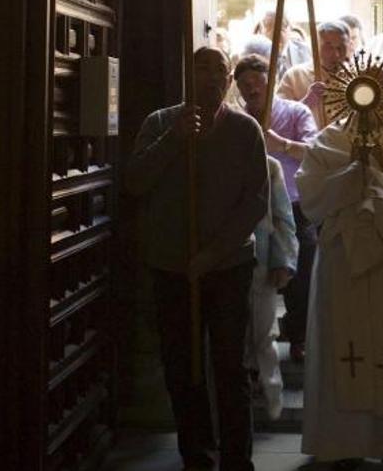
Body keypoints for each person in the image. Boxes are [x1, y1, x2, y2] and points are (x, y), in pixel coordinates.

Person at [125, 47, 269, 471]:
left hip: (227, 266)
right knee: (182, 366)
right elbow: (135, 182)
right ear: (186, 76)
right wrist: (176, 139)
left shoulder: (245, 130)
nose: (210, 77)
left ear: (229, 80)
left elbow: (254, 201)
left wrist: (213, 252)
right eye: (201, 68)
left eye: (218, 70)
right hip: (172, 266)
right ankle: (197, 456)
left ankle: (237, 458)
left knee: (230, 366)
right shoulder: (160, 123)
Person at [296, 114, 383, 469]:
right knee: (342, 340)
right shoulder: (330, 139)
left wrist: (374, 177)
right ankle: (345, 442)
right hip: (342, 261)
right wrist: (351, 174)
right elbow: (311, 193)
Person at [235, 53, 319, 362]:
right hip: (251, 210)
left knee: (301, 277)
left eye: (258, 82)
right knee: (251, 280)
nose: (253, 90)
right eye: (245, 85)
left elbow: (315, 152)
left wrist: (282, 144)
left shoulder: (296, 112)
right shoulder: (237, 120)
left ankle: (300, 339)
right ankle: (252, 349)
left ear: (271, 82)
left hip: (295, 207)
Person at [242, 156, 297, 420]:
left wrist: (283, 261)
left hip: (261, 262)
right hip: (224, 262)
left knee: (263, 334)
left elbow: (283, 217)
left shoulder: (269, 165)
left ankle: (271, 394)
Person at [277, 20, 351, 129]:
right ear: (314, 46)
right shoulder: (295, 76)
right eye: (328, 47)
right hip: (309, 144)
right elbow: (279, 119)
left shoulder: (356, 77)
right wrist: (305, 103)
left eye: (341, 47)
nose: (336, 54)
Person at [246, 9, 312, 81]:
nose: (276, 32)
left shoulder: (305, 51)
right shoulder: (252, 54)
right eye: (269, 26)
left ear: (290, 28)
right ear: (261, 31)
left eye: (282, 26)